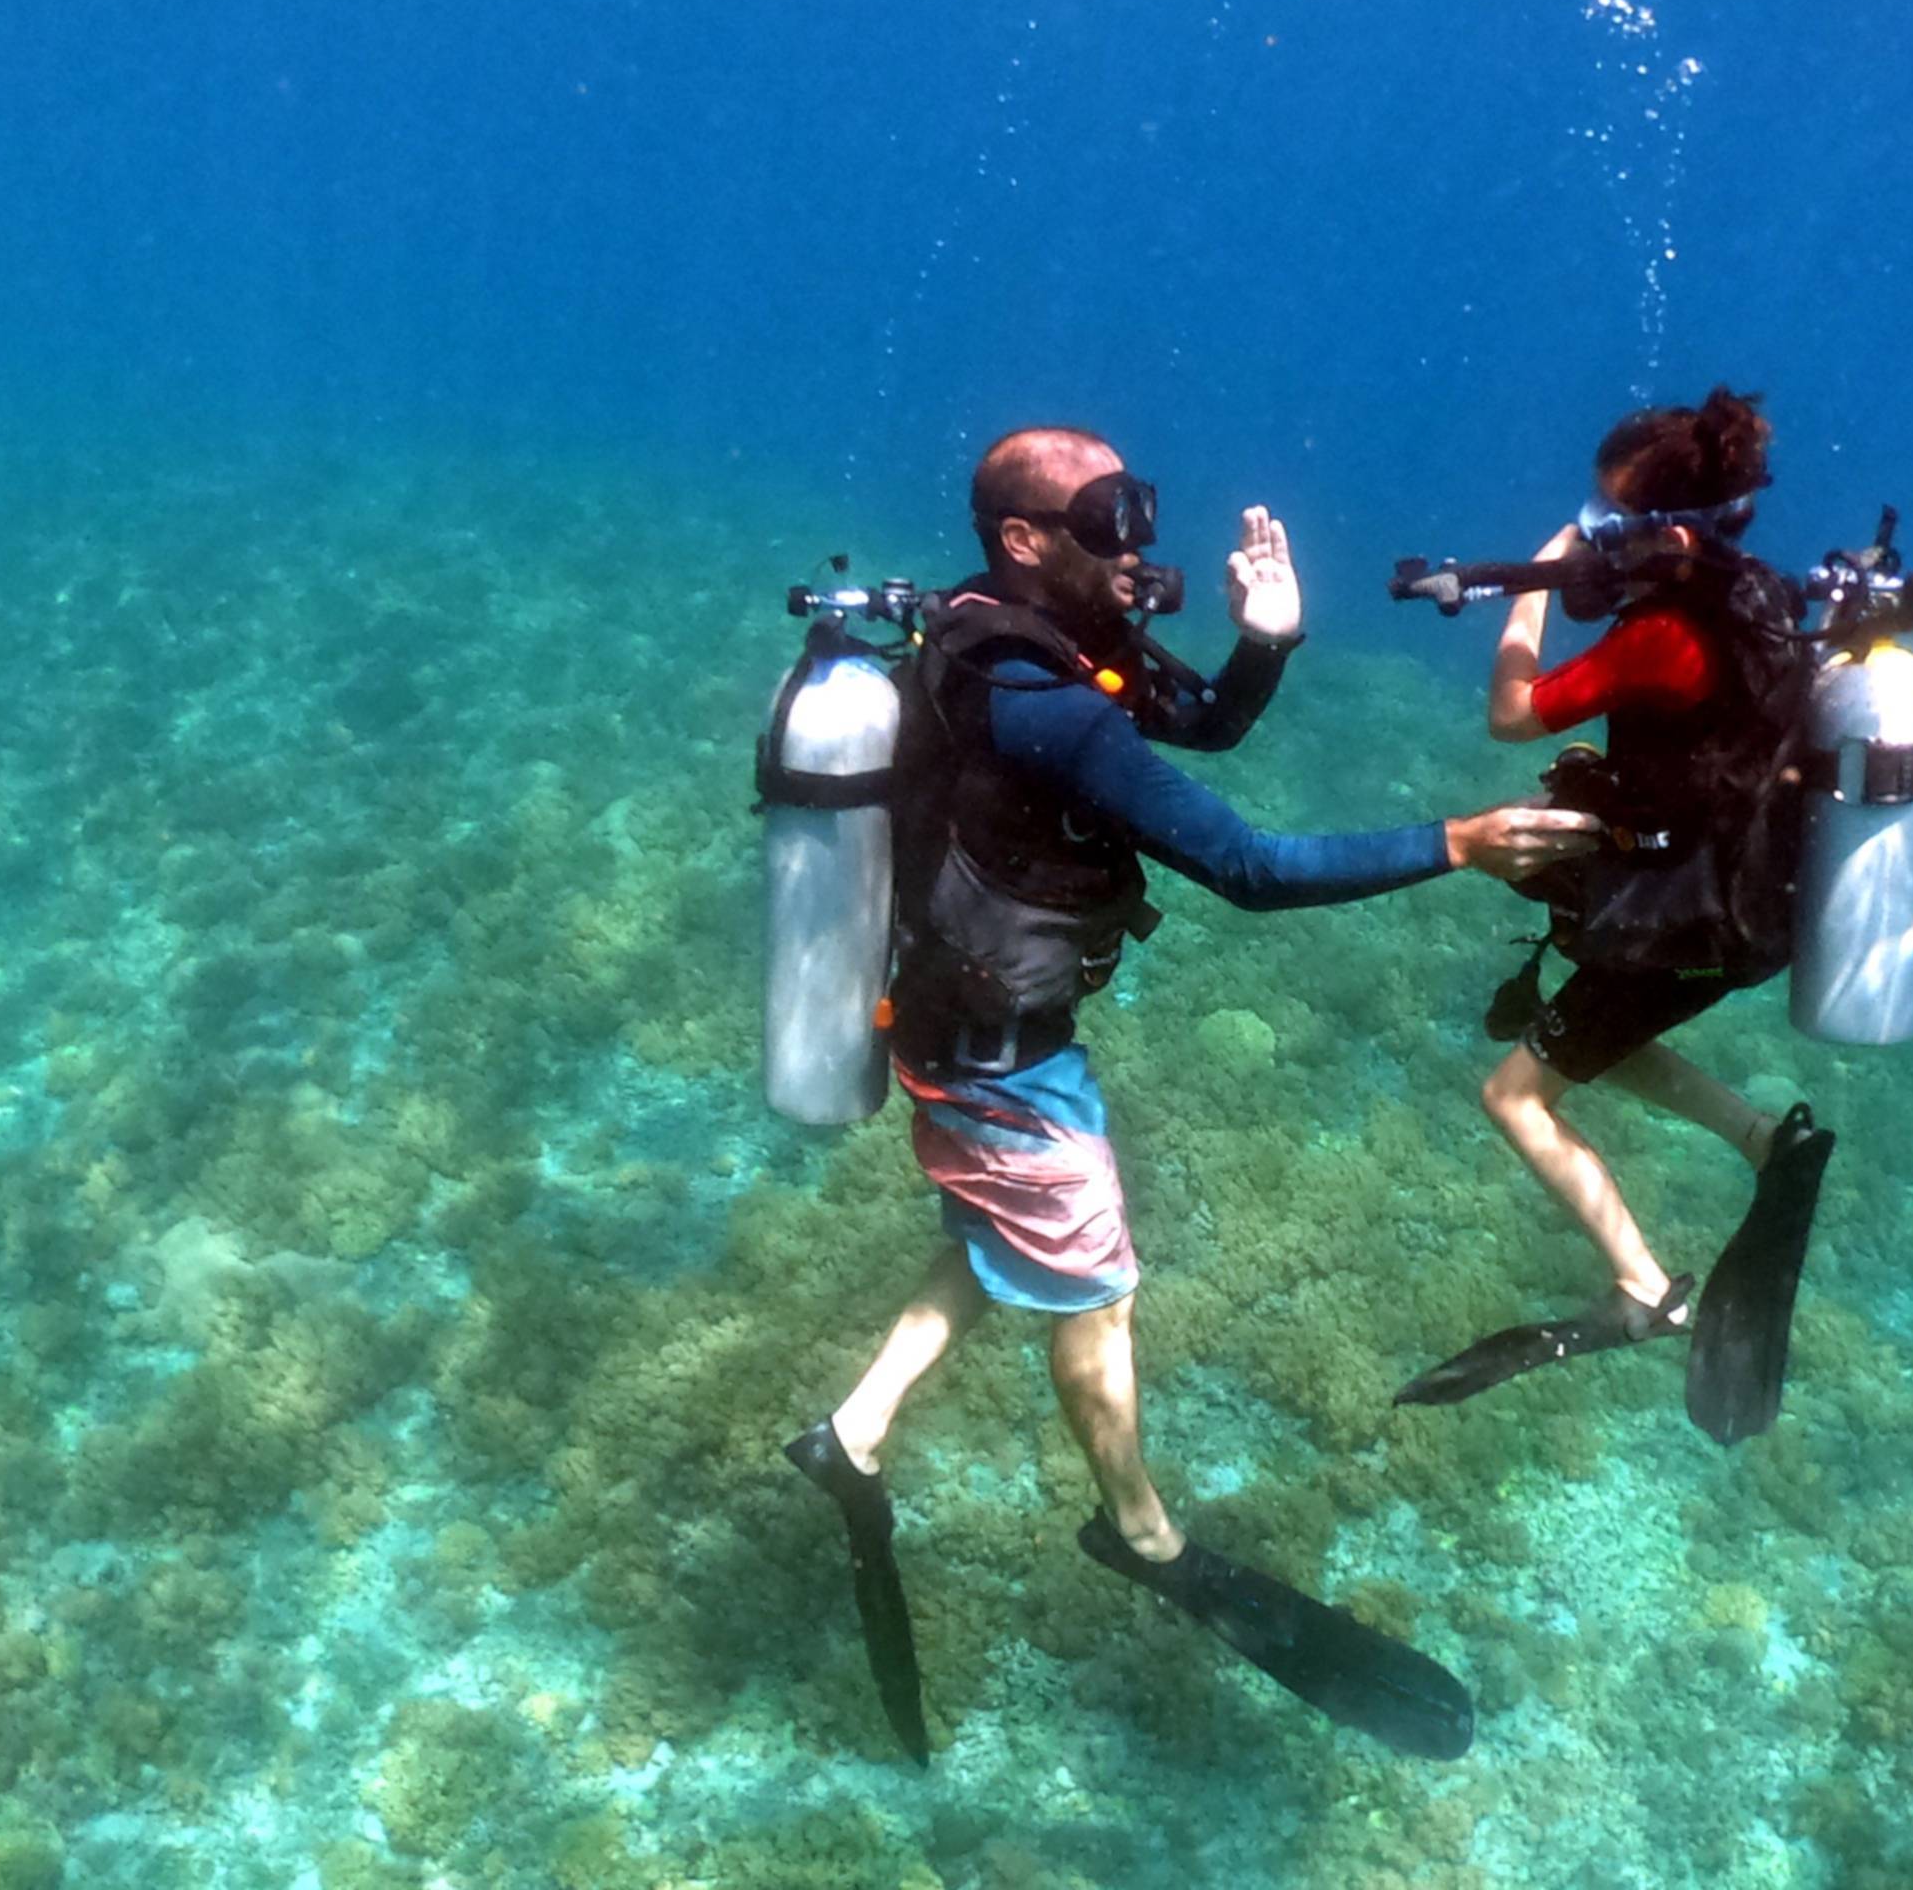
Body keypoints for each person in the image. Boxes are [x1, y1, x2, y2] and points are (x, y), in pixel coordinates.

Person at [786, 423, 1592, 1763]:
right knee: (1094, 1293)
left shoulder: (1037, 641)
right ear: (1025, 540)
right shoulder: (1031, 694)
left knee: (997, 1244)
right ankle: (1141, 1531)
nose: (1139, 538)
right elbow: (1252, 869)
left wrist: (1263, 643)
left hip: (966, 1031)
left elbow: (1202, 721)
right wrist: (1459, 845)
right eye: (1109, 514)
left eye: (1138, 502)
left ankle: (852, 1434)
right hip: (1003, 1060)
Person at [1391, 386, 1838, 1447]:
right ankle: (1763, 1137)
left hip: (1685, 925)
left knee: (1515, 1096)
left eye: (1606, 521)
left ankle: (1644, 1290)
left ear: (1661, 529)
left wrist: (1535, 573)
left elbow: (1508, 714)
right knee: (1587, 1037)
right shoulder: (1760, 597)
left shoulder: (1664, 635)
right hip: (1751, 909)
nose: (1595, 541)